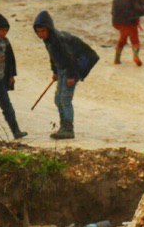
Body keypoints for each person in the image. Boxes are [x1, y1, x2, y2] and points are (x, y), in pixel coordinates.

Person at [33, 11, 99, 140]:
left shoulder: (58, 40)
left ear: (49, 29)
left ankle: (68, 129)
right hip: (62, 70)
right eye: (38, 32)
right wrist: (55, 72)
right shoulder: (48, 40)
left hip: (70, 70)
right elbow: (54, 57)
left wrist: (72, 76)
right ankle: (63, 127)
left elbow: (70, 58)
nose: (40, 34)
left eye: (43, 31)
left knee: (65, 99)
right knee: (58, 99)